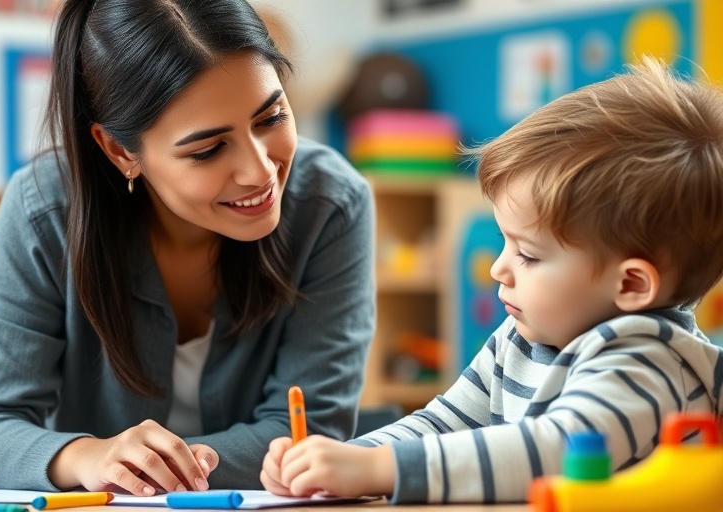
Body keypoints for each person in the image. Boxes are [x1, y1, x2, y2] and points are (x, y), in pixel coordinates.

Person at [0, 0, 375, 495]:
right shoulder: (45, 212)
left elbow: (309, 432)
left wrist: (170, 469)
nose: (260, 170)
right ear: (121, 151)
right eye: (208, 149)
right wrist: (90, 458)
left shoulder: (331, 206)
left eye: (271, 116)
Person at [260, 57, 723, 504]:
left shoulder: (649, 360)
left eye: (528, 254)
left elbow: (553, 450)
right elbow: (443, 423)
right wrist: (344, 460)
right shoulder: (521, 339)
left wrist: (384, 470)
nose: (498, 269)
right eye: (505, 243)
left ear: (631, 286)